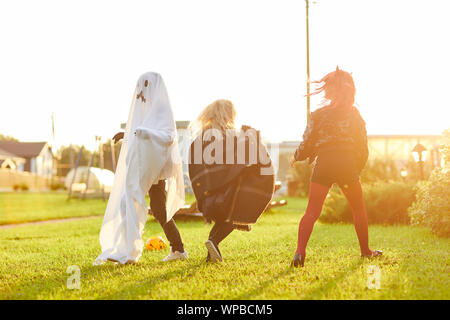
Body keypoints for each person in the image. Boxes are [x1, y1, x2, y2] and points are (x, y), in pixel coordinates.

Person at [290, 66, 382, 268]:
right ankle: (366, 252)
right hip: (347, 164)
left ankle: (299, 254)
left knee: (312, 212)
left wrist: (296, 156)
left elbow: (307, 144)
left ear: (332, 90)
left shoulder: (318, 115)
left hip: (324, 163)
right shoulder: (354, 114)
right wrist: (355, 169)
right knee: (358, 209)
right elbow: (362, 146)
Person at [94, 72, 187, 265]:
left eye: (146, 86)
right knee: (133, 204)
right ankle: (129, 249)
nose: (142, 92)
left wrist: (144, 133)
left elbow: (167, 136)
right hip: (143, 166)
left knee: (156, 208)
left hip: (157, 167)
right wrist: (127, 135)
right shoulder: (145, 109)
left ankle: (168, 249)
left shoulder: (161, 108)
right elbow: (139, 134)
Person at [188, 99, 275, 262]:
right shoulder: (234, 137)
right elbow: (256, 157)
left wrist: (203, 193)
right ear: (230, 115)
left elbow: (195, 171)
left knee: (223, 220)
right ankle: (213, 242)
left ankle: (211, 255)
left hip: (209, 200)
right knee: (234, 217)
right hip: (229, 198)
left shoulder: (199, 140)